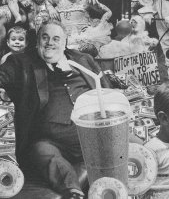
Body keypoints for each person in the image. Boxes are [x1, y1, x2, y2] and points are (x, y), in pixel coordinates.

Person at [0, 20, 111, 199]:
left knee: (130, 143)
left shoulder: (83, 60)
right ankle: (74, 193)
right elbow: (3, 76)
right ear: (37, 41)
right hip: (48, 141)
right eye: (45, 37)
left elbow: (107, 91)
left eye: (56, 38)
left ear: (65, 42)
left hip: (91, 135)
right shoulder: (21, 62)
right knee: (46, 155)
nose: (50, 43)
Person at [45, 0, 112, 53]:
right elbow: (47, 1)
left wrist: (101, 25)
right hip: (64, 36)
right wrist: (51, 9)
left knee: (86, 49)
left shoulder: (86, 0)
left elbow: (108, 11)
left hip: (84, 36)